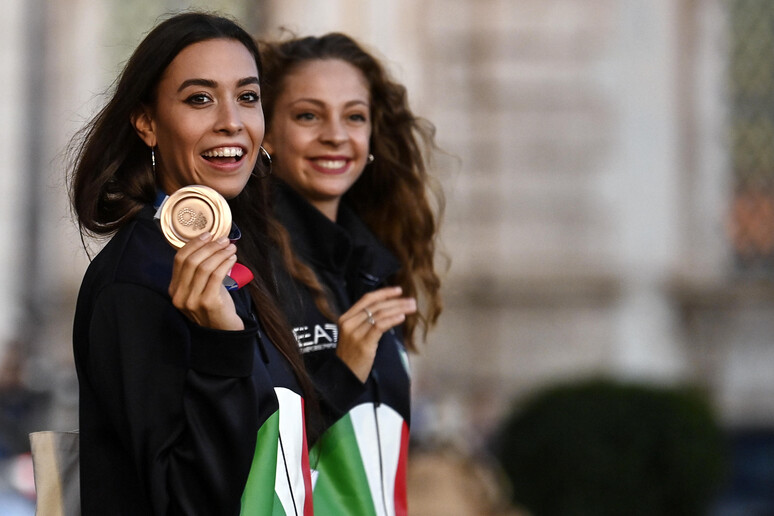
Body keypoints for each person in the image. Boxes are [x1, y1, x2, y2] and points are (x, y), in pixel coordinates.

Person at [68, 13, 314, 515]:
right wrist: (219, 347)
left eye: (247, 97)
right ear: (147, 123)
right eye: (200, 98)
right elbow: (184, 503)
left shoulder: (239, 261)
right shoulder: (134, 284)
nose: (232, 121)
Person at [259, 33, 444, 515]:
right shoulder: (248, 267)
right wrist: (339, 370)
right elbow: (235, 443)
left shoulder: (378, 268)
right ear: (267, 135)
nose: (336, 134)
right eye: (308, 115)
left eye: (354, 116)